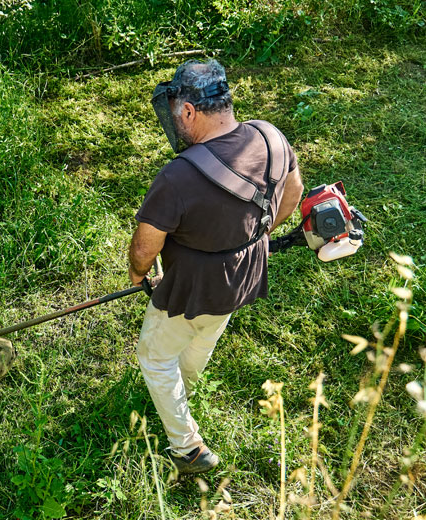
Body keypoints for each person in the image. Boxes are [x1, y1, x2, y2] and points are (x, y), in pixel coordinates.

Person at [128, 59, 304, 475]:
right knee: (204, 333)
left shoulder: (178, 177)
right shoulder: (270, 137)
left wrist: (138, 274)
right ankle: (183, 385)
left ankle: (187, 449)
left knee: (154, 357)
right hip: (245, 275)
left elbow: (144, 246)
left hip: (193, 286)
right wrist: (256, 235)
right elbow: (293, 191)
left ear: (188, 111)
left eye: (175, 112)